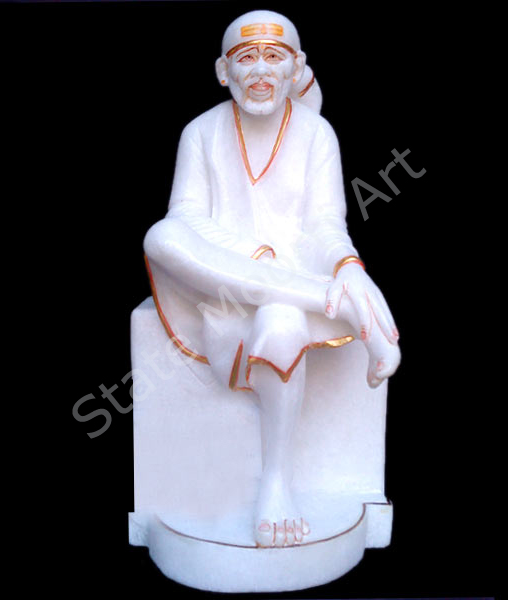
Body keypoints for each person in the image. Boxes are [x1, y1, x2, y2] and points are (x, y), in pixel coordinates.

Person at [143, 10, 400, 548]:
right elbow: (186, 219)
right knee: (160, 237)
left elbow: (326, 225)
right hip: (222, 285)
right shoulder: (201, 132)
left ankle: (276, 485)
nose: (260, 71)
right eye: (247, 58)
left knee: (282, 322)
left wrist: (348, 267)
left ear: (295, 68)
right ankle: (335, 303)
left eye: (273, 57)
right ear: (224, 71)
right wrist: (259, 259)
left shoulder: (316, 134)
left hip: (292, 281)